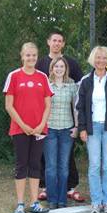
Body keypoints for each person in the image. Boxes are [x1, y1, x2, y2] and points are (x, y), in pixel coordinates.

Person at [4, 42, 53, 213]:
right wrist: (23, 125)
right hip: (20, 130)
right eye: (27, 55)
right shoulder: (14, 76)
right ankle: (19, 203)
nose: (31, 58)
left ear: (37, 56)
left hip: (39, 129)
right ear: (22, 56)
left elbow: (48, 104)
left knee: (35, 165)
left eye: (33, 55)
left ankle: (34, 202)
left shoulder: (42, 77)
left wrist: (40, 125)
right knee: (21, 165)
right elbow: (9, 106)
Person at [36, 30, 85, 203]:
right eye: (54, 40)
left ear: (63, 44)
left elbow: (79, 92)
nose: (56, 43)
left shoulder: (71, 63)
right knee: (47, 159)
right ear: (48, 42)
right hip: (48, 123)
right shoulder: (40, 63)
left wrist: (78, 125)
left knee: (67, 158)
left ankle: (70, 188)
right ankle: (46, 188)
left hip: (67, 123)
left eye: (60, 41)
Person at [77, 46, 107, 213]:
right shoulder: (86, 81)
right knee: (95, 165)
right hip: (92, 128)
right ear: (93, 60)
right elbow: (80, 107)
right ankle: (96, 202)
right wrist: (82, 128)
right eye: (97, 58)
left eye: (104, 58)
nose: (100, 61)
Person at [44, 57, 79, 209]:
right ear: (52, 68)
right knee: (51, 166)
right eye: (56, 66)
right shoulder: (46, 84)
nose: (59, 69)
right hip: (50, 129)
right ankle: (52, 199)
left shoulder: (71, 85)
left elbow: (75, 107)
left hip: (66, 129)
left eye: (62, 66)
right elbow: (42, 107)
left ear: (66, 68)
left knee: (64, 166)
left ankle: (62, 198)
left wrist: (77, 126)